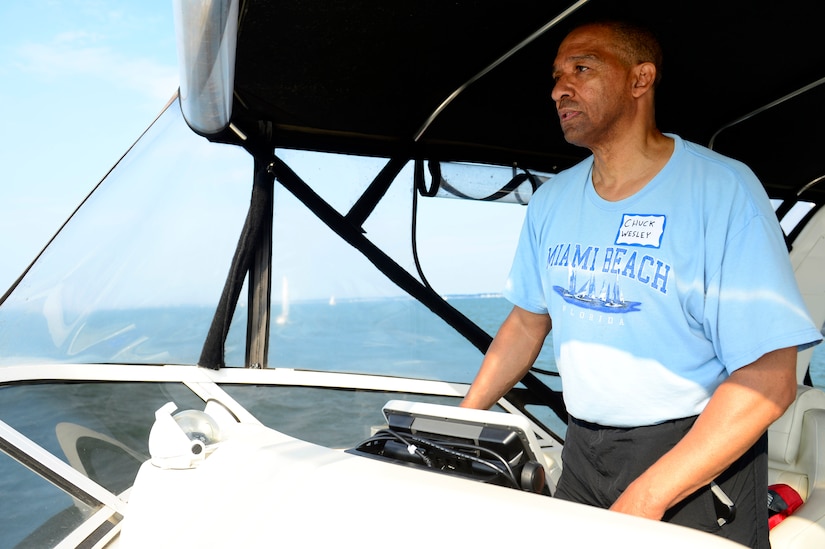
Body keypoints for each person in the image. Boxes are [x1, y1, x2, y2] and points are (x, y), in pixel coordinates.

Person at [460, 20, 822, 548]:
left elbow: (769, 379)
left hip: (696, 457)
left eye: (581, 69)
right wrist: (460, 427)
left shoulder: (721, 190)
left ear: (640, 79)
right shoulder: (552, 201)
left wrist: (649, 496)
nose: (560, 87)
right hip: (583, 450)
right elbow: (526, 322)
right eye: (557, 75)